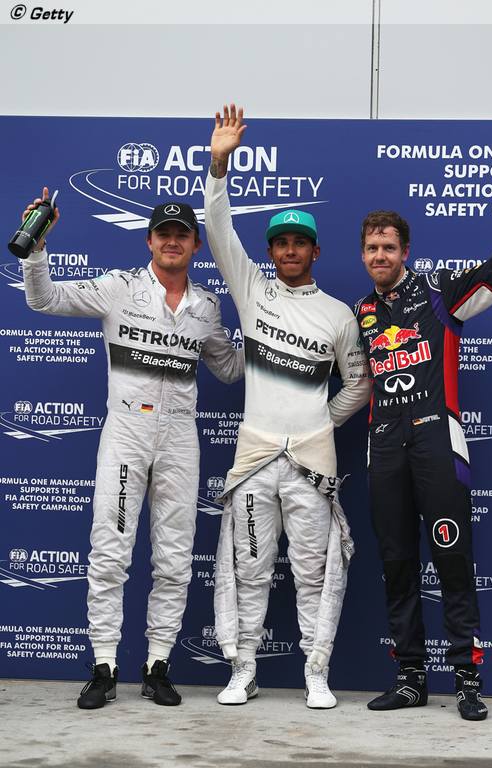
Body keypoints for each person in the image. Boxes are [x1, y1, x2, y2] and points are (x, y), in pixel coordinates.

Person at [19, 189, 244, 709]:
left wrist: (268, 336)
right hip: (126, 431)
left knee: (174, 557)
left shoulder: (207, 307)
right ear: (149, 241)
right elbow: (44, 299)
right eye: (164, 234)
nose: (172, 242)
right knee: (110, 552)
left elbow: (230, 369)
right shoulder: (118, 288)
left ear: (195, 245)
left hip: (180, 437)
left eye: (182, 235)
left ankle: (157, 666)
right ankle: (103, 667)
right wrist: (36, 249)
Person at [354, 164, 492, 720]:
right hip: (384, 450)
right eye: (372, 248)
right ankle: (410, 678)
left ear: (405, 251)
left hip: (438, 443)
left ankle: (466, 680)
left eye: (388, 247)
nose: (380, 255)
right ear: (363, 255)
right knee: (396, 564)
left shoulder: (438, 293)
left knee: (452, 560)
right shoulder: (363, 312)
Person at [204, 105, 370, 709]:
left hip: (312, 465)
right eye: (281, 243)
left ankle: (315, 672)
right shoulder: (251, 288)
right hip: (253, 460)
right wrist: (218, 165)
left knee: (313, 572)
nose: (290, 250)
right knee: (249, 571)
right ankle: (243, 669)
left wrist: (320, 423)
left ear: (315, 252)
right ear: (271, 251)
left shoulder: (338, 315)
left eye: (300, 242)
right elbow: (219, 230)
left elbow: (359, 383)